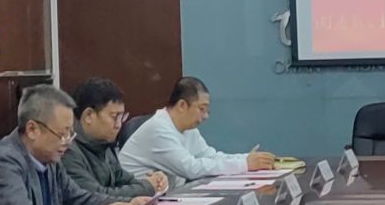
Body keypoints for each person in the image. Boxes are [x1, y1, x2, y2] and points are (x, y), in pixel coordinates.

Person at [0, 85, 149, 205]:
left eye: (70, 133)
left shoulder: (50, 158)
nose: (67, 142)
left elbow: (79, 198)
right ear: (32, 129)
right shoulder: (3, 161)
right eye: (62, 134)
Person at [119, 77, 282, 183]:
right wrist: (244, 164)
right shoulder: (159, 129)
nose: (206, 116)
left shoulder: (188, 129)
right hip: (135, 204)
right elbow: (191, 169)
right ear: (182, 105)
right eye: (202, 109)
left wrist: (248, 159)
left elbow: (210, 156)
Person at [62, 78, 168, 204]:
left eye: (122, 117)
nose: (118, 125)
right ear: (89, 115)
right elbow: (96, 196)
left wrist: (154, 182)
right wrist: (147, 187)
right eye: (114, 117)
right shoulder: (67, 150)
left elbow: (126, 181)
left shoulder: (103, 144)